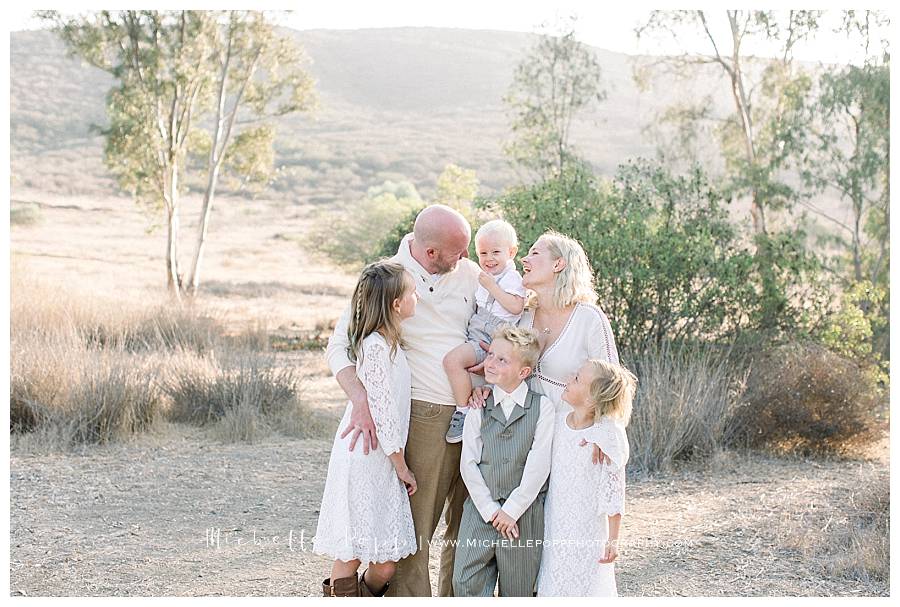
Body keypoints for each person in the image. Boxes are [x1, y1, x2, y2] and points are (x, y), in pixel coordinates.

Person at [324, 205, 480, 596]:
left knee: (468, 529)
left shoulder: (471, 275)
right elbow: (339, 346)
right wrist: (360, 400)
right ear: (430, 253)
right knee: (414, 534)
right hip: (421, 416)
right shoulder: (386, 278)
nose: (465, 259)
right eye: (458, 252)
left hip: (475, 414)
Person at [313, 261, 419, 596]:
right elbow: (384, 414)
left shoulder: (390, 344)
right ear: (396, 305)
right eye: (412, 293)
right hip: (367, 453)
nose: (418, 298)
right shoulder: (374, 347)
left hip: (380, 459)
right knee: (354, 548)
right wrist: (402, 467)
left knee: (384, 563)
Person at [452, 326, 554, 597]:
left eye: (502, 360)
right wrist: (489, 509)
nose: (491, 364)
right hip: (480, 511)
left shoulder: (542, 408)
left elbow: (539, 464)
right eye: (491, 355)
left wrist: (512, 509)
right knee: (464, 582)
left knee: (518, 588)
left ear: (524, 372)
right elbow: (468, 463)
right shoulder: (478, 406)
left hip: (523, 515)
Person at [537, 359, 635, 597]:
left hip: (588, 528)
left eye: (578, 378)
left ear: (591, 399)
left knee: (587, 584)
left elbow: (614, 491)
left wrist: (613, 539)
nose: (570, 378)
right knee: (554, 580)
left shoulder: (605, 436)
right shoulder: (556, 422)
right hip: (556, 522)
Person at [443, 219, 527, 444]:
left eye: (496, 252)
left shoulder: (512, 279)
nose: (489, 258)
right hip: (478, 332)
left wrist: (492, 287)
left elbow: (516, 306)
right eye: (483, 253)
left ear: (512, 252)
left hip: (491, 337)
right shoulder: (486, 276)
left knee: (452, 362)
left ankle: (462, 411)